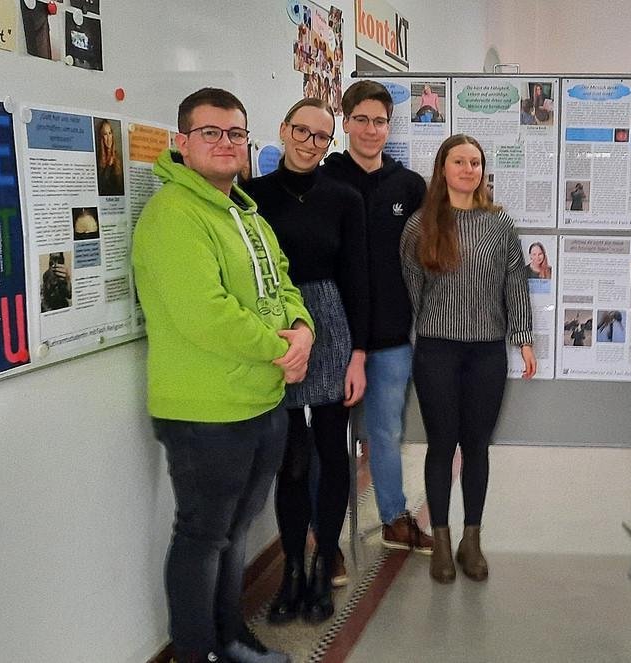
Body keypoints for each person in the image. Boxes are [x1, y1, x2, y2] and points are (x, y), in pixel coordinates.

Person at [131, 87, 314, 663]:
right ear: (181, 143)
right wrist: (281, 351)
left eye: (236, 132)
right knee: (203, 537)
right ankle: (196, 651)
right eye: (210, 132)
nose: (225, 143)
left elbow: (283, 283)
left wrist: (303, 331)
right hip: (205, 413)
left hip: (260, 403)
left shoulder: (246, 213)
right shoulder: (172, 215)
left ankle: (229, 639)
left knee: (235, 533)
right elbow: (204, 314)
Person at [242, 98, 368, 626]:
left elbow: (360, 280)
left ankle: (323, 564)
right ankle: (291, 568)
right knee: (290, 458)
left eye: (321, 136)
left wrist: (358, 355)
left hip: (332, 322)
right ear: (284, 130)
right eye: (302, 131)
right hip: (277, 326)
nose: (310, 143)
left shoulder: (344, 197)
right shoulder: (251, 196)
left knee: (332, 452)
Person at [400, 134, 536, 583]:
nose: (468, 169)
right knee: (441, 445)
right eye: (459, 161)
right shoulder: (421, 225)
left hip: (487, 352)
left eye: (475, 162)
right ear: (442, 168)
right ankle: (440, 539)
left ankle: (470, 540)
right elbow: (412, 289)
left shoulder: (500, 224)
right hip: (437, 349)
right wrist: (419, 337)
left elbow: (515, 283)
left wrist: (524, 338)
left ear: (483, 171)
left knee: (477, 446)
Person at [320, 81, 433, 558]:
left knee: (386, 433)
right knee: (328, 441)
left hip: (389, 337)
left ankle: (393, 518)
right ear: (345, 122)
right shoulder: (323, 179)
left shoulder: (408, 186)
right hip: (330, 335)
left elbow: (429, 252)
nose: (371, 130)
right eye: (361, 119)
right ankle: (326, 539)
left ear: (391, 125)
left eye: (380, 121)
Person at [95, 118, 124, 196]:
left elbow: (120, 187)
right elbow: (100, 188)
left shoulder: (118, 158)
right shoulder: (97, 159)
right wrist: (108, 166)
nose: (108, 137)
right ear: (101, 138)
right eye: (105, 134)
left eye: (110, 133)